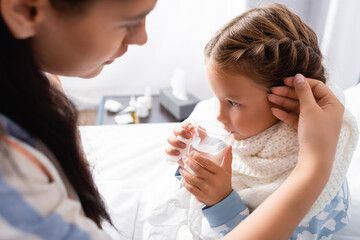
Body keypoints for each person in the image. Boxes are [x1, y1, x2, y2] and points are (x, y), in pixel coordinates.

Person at [0, 1, 349, 240]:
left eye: (231, 102)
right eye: (128, 21)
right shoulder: (14, 184)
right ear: (24, 9)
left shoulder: (41, 85)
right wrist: (315, 165)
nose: (143, 38)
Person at [163, 4, 358, 239]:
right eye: (217, 99)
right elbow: (236, 165)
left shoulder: (315, 189)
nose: (218, 116)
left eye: (233, 103)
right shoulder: (251, 133)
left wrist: (221, 203)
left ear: (286, 98)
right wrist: (191, 160)